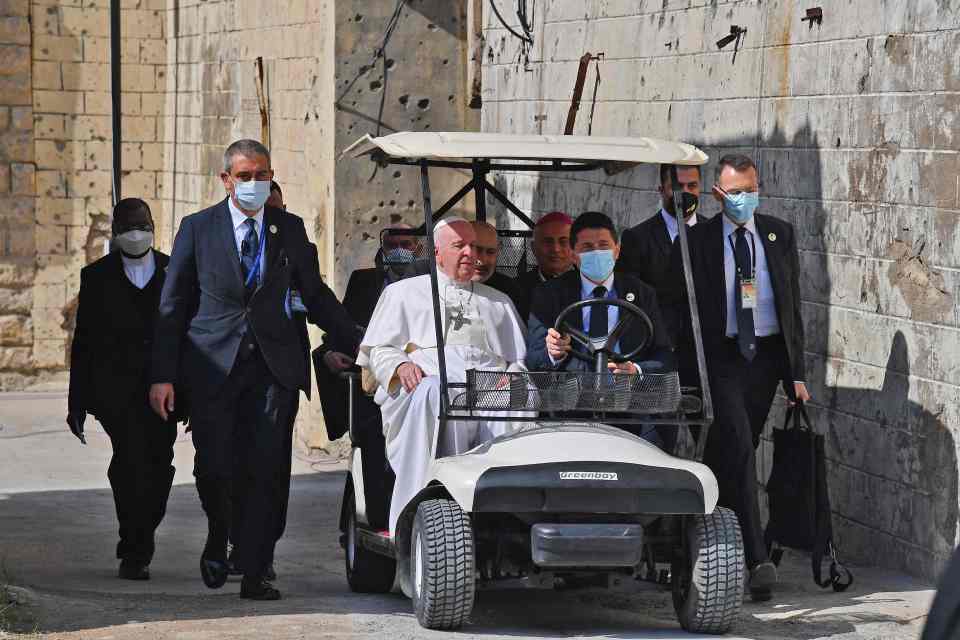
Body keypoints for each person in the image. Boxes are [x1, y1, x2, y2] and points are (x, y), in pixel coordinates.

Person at [149, 139, 360, 601]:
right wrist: (163, 374)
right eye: (244, 176)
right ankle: (220, 531)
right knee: (215, 466)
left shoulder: (290, 229)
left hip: (273, 370)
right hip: (212, 368)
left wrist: (361, 340)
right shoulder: (197, 229)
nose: (253, 184)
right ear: (226, 180)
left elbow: (316, 295)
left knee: (267, 470)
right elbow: (173, 305)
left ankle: (258, 567)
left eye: (261, 175)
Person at [664, 153, 810, 603]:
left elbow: (791, 307)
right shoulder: (698, 240)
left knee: (730, 453)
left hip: (763, 358)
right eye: (734, 192)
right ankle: (755, 557)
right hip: (719, 358)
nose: (743, 199)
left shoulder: (778, 234)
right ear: (717, 193)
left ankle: (711, 543)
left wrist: (795, 376)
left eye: (750, 189)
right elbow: (676, 308)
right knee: (740, 446)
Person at [357, 217, 527, 535]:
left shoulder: (498, 301)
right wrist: (400, 365)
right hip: (426, 385)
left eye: (474, 247)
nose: (469, 253)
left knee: (521, 392)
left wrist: (514, 375)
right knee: (434, 393)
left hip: (486, 390)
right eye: (459, 246)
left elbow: (517, 359)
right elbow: (378, 350)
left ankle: (505, 515)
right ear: (437, 253)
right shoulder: (403, 293)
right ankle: (420, 512)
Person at [66, 198, 177, 581]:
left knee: (159, 467)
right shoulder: (95, 275)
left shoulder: (173, 269)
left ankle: (140, 531)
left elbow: (188, 333)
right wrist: (76, 402)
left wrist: (195, 395)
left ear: (152, 226)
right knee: (129, 462)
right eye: (128, 225)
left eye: (142, 224)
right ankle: (135, 549)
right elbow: (84, 341)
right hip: (115, 391)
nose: (136, 232)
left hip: (164, 392)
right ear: (115, 232)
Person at [312, 223, 421, 530]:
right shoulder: (364, 281)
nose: (400, 250)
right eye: (392, 244)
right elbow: (342, 327)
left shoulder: (428, 283)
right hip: (374, 384)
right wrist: (332, 350)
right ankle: (377, 520)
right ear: (381, 249)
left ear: (420, 249)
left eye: (407, 243)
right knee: (373, 441)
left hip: (419, 379)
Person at [617, 164, 707, 298]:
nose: (685, 192)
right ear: (661, 190)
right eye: (677, 187)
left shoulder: (715, 231)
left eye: (692, 186)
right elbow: (631, 295)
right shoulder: (637, 238)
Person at [513, 211, 574, 321]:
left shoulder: (587, 287)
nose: (556, 249)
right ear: (533, 248)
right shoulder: (515, 289)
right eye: (548, 242)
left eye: (563, 242)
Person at [471, 220, 523, 314]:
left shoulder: (509, 290)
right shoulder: (441, 287)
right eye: (477, 250)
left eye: (490, 252)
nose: (482, 260)